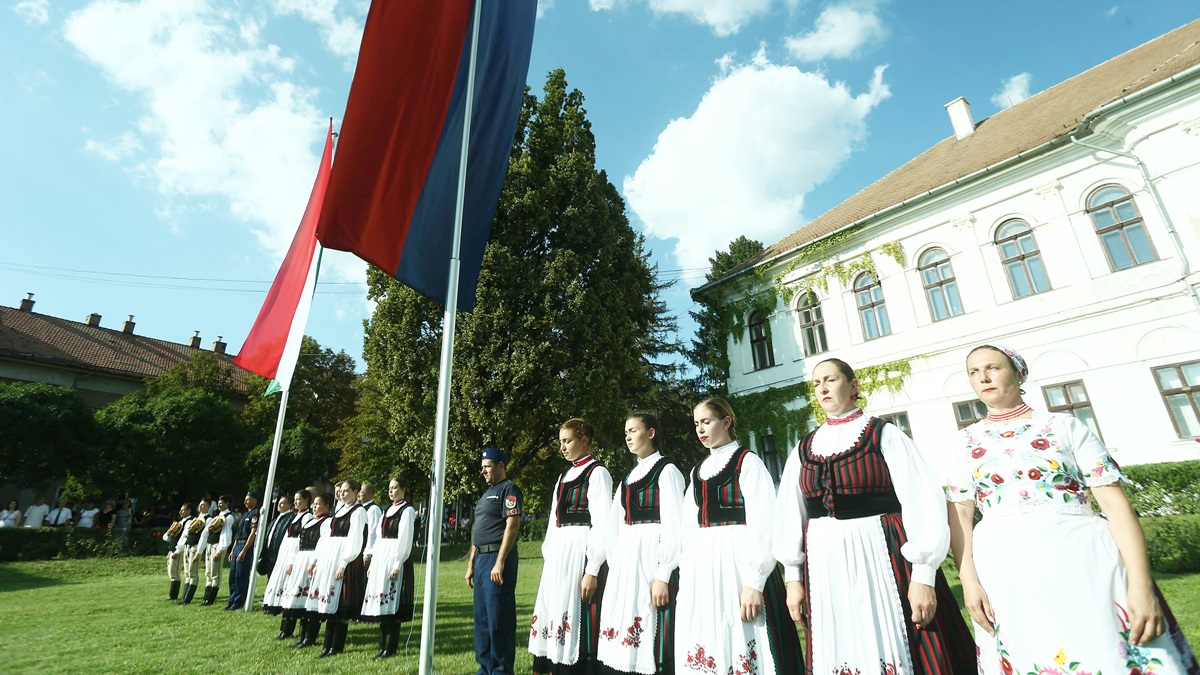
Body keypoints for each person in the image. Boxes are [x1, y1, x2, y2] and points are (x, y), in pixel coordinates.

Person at [946, 344, 1198, 674]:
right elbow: (960, 514)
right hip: (1005, 572)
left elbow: (1116, 507)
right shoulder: (964, 442)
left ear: (1018, 373)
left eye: (993, 368)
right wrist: (969, 581)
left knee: (1103, 650)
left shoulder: (1065, 426)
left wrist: (1140, 586)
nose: (983, 377)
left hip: (1084, 561)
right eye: (974, 372)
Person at [772, 359, 974, 674]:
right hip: (825, 565)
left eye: (831, 379)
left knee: (900, 638)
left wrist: (923, 575)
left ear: (853, 386)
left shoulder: (884, 434)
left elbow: (921, 499)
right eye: (816, 383)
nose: (823, 388)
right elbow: (789, 515)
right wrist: (793, 578)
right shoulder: (804, 447)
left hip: (883, 555)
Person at [677, 398, 803, 675]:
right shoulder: (697, 471)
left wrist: (754, 582)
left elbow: (763, 522)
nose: (700, 429)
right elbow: (688, 526)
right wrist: (689, 571)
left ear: (726, 422)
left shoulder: (747, 462)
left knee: (748, 633)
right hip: (705, 564)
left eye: (706, 421)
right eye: (696, 423)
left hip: (740, 562)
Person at [595, 412, 685, 675]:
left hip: (653, 558)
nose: (628, 437)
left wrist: (663, 572)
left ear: (651, 433)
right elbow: (615, 525)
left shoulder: (667, 471)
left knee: (654, 624)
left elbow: (675, 524)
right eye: (626, 433)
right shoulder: (629, 477)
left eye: (633, 430)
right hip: (627, 561)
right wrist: (618, 564)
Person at [530, 418, 614, 675]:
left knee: (579, 615)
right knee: (555, 609)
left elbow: (602, 523)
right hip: (559, 555)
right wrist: (550, 556)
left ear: (584, 440)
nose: (563, 447)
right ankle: (555, 663)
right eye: (561, 442)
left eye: (567, 441)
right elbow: (554, 521)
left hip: (581, 551)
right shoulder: (564, 476)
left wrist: (592, 568)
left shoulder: (597, 473)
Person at [468, 447, 523, 675]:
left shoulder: (509, 489)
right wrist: (471, 563)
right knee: (482, 619)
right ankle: (485, 668)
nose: (484, 471)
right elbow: (477, 529)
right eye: (482, 468)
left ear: (501, 465)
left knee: (498, 618)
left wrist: (499, 562)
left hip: (496, 557)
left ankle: (500, 670)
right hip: (481, 559)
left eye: (488, 466)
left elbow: (512, 524)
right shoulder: (485, 495)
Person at [307, 479, 367, 657]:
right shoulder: (338, 511)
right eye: (341, 491)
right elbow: (325, 539)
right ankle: (327, 645)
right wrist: (318, 561)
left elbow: (355, 539)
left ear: (356, 492)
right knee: (329, 604)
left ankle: (336, 646)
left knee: (339, 604)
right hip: (329, 559)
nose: (342, 494)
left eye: (347, 491)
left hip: (344, 561)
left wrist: (343, 562)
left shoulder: (358, 511)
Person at [361, 477, 416, 659]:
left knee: (393, 603)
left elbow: (405, 538)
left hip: (395, 557)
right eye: (389, 488)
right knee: (382, 603)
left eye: (394, 488)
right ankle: (382, 647)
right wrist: (374, 561)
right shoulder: (387, 511)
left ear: (404, 489)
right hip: (382, 557)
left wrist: (397, 563)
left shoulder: (407, 511)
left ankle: (390, 648)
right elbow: (377, 537)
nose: (391, 491)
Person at [285, 492, 331, 649]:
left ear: (327, 506)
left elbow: (323, 545)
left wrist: (314, 562)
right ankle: (302, 635)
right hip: (301, 561)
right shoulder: (309, 522)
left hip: (313, 561)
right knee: (301, 601)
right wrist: (292, 562)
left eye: (318, 504)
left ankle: (310, 637)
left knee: (311, 601)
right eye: (314, 504)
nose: (314, 507)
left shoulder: (327, 522)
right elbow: (298, 543)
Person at [264, 490, 311, 641]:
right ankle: (284, 629)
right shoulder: (295, 516)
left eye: (299, 500)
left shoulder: (307, 516)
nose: (296, 502)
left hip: (295, 557)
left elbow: (302, 540)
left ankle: (289, 628)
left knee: (292, 592)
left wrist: (292, 561)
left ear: (306, 500)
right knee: (285, 592)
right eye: (295, 500)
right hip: (285, 554)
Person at [225, 492, 261, 611]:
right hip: (237, 545)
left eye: (248, 499)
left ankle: (239, 601)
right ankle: (232, 600)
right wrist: (232, 550)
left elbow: (253, 532)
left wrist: (244, 550)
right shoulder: (245, 514)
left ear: (255, 501)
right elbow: (238, 535)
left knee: (241, 575)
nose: (245, 502)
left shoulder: (255, 513)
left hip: (245, 545)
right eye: (245, 499)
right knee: (233, 575)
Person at [178, 498, 211, 605]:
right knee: (187, 573)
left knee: (193, 573)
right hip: (188, 545)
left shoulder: (208, 519)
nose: (201, 507)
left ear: (208, 506)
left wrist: (199, 552)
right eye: (200, 505)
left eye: (203, 505)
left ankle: (188, 598)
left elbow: (204, 537)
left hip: (195, 546)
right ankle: (184, 598)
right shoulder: (195, 518)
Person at [202, 496, 234, 606]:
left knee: (215, 574)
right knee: (208, 573)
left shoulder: (228, 517)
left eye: (221, 503)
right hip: (210, 545)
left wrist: (219, 551)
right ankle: (206, 598)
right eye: (219, 503)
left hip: (217, 546)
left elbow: (226, 534)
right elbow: (207, 532)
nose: (219, 505)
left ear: (227, 504)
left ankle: (210, 599)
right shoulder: (218, 516)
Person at [259, 494, 297, 580]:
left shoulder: (291, 518)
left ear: (289, 505)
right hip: (269, 553)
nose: (279, 505)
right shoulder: (276, 519)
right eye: (279, 503)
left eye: (282, 503)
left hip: (279, 553)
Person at [163, 502, 192, 601]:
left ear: (189, 511)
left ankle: (173, 595)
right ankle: (172, 594)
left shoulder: (189, 522)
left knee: (175, 572)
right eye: (180, 510)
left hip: (177, 550)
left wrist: (177, 551)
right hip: (172, 549)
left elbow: (184, 538)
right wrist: (168, 533)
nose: (180, 512)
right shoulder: (179, 523)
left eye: (183, 510)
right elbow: (166, 538)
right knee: (171, 572)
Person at [359, 482, 384, 572]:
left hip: (366, 551)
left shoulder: (373, 509)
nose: (358, 494)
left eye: (361, 492)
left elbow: (373, 532)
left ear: (369, 494)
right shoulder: (360, 508)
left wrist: (369, 553)